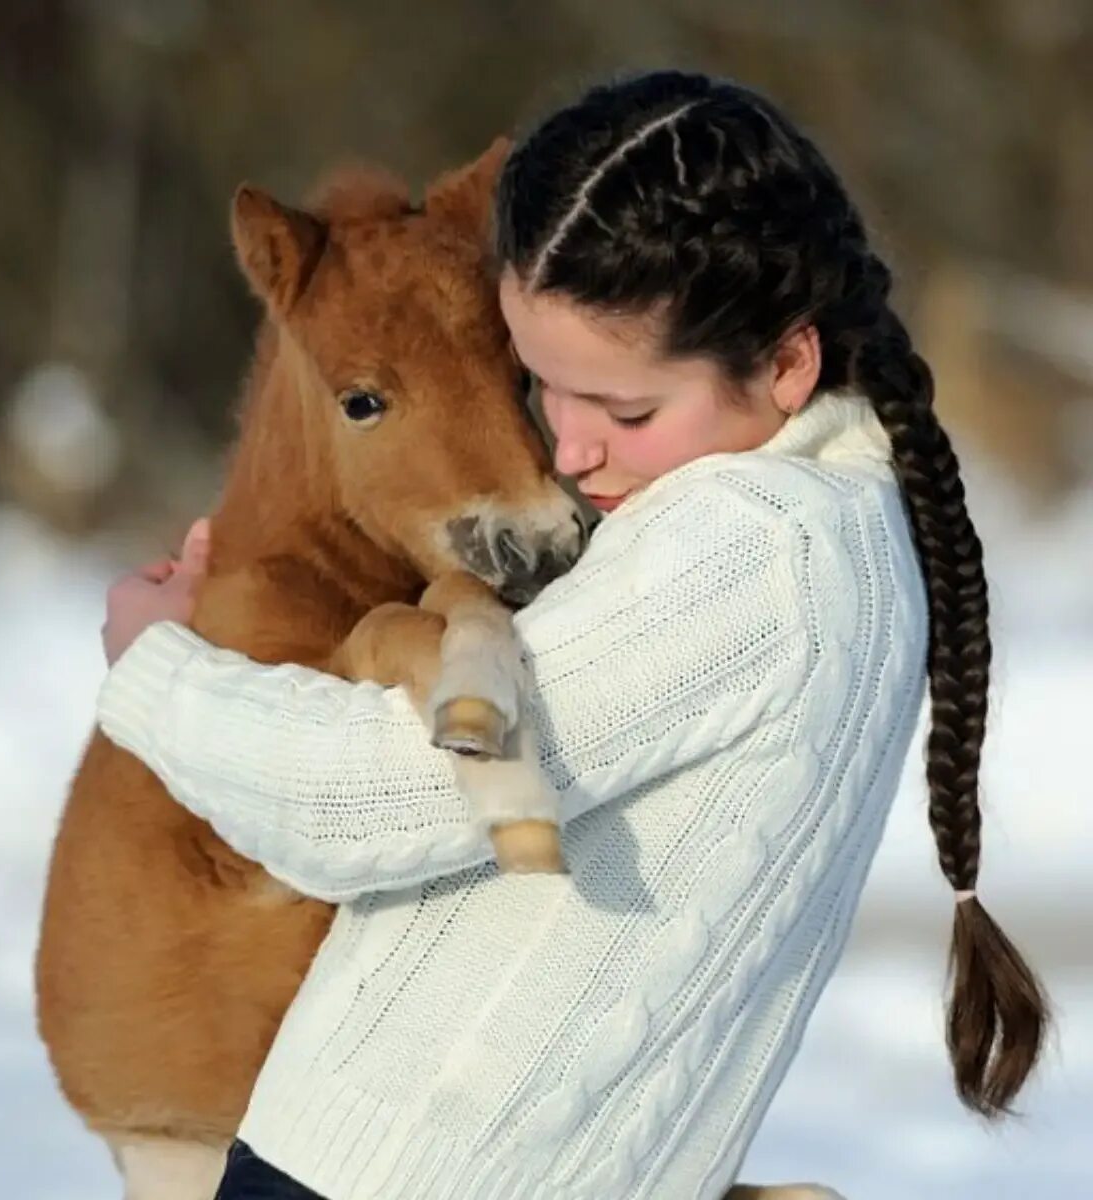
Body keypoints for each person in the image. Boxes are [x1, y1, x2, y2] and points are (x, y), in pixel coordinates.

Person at [96, 70, 1048, 1200]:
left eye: (627, 410)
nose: (573, 449)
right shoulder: (827, 522)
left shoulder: (755, 550)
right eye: (540, 388)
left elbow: (366, 800)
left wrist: (158, 665)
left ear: (787, 363)